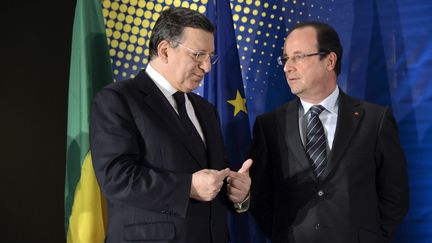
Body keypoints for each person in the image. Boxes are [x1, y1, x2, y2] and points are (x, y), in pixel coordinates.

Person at [90, 7, 251, 243]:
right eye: (198, 55)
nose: (207, 67)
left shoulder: (205, 110)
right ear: (165, 50)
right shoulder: (118, 99)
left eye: (210, 56)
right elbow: (116, 178)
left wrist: (237, 192)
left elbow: (214, 176)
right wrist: (187, 187)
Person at [249, 21, 409, 243]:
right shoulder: (269, 126)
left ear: (330, 61)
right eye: (285, 59)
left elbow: (395, 196)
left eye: (298, 57)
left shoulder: (375, 120)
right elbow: (261, 199)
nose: (287, 67)